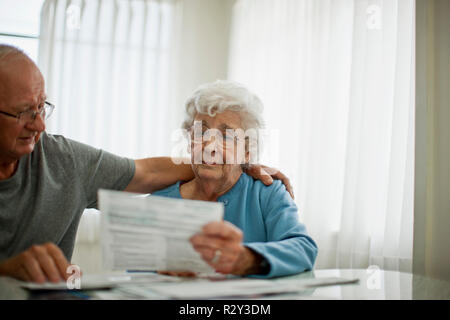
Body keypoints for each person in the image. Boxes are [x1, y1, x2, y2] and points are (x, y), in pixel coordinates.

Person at [0, 45, 292, 283]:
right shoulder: (164, 203)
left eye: (42, 107)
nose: (39, 124)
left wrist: (235, 164)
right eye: (23, 112)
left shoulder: (66, 161)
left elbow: (147, 172)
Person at [153, 80, 318, 278]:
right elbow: (135, 271)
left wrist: (247, 259)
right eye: (201, 132)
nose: (209, 146)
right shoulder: (159, 202)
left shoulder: (267, 193)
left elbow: (303, 250)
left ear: (247, 152)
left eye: (226, 136)